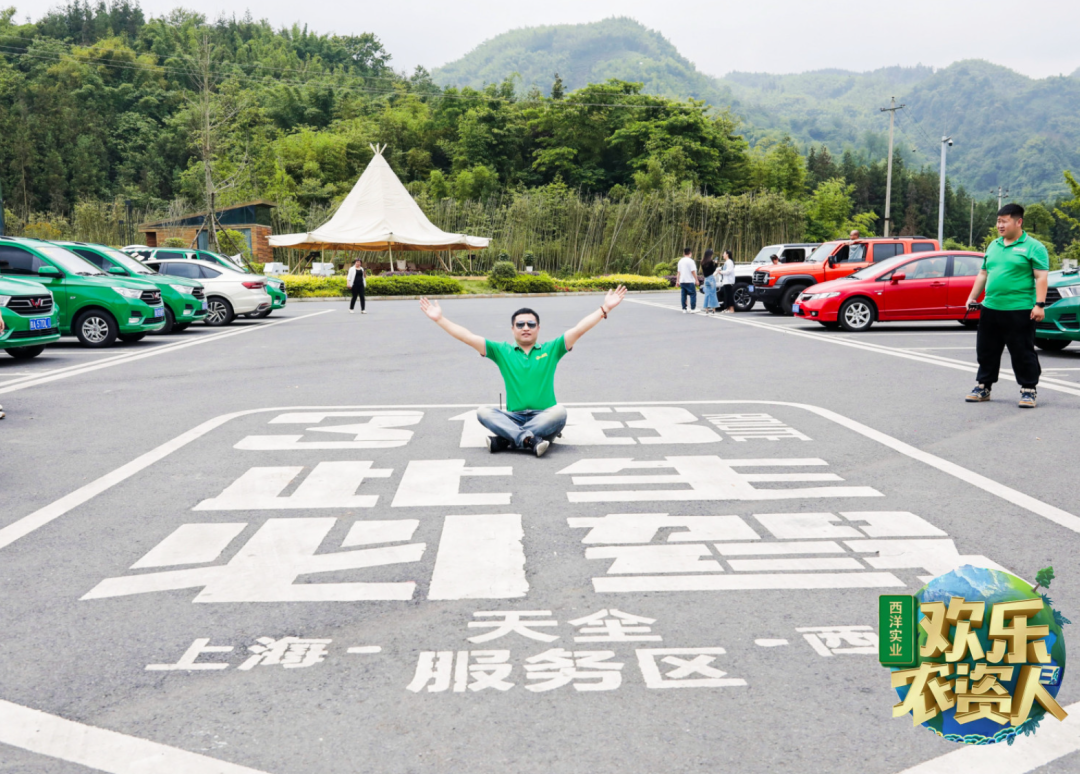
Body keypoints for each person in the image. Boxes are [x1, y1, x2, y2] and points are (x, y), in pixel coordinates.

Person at [419, 286, 628, 456]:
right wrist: (439, 319)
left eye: (531, 324)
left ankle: (507, 439)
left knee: (560, 412)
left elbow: (579, 329)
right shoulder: (501, 351)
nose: (525, 327)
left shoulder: (552, 349)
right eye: (520, 324)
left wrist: (605, 309)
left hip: (544, 417)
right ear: (513, 329)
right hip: (514, 417)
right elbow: (467, 336)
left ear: (538, 328)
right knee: (483, 411)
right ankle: (528, 439)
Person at [965, 204, 1049, 408]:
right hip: (991, 307)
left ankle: (1028, 389)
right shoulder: (994, 245)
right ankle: (983, 387)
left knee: (1022, 351)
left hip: (1019, 309)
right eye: (998, 221)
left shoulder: (1034, 247)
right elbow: (983, 273)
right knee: (986, 350)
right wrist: (972, 297)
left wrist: (1039, 305)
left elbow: (1041, 277)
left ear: (1019, 222)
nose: (1000, 225)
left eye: (1004, 221)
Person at [677, 248, 698, 313]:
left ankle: (684, 309)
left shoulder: (680, 261)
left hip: (682, 281)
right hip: (690, 281)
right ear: (690, 253)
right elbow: (693, 271)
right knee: (692, 294)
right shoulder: (691, 261)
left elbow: (678, 272)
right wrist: (696, 279)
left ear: (684, 253)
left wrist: (677, 281)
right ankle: (693, 309)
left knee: (683, 295)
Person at [700, 249, 718, 314]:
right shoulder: (710, 262)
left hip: (706, 279)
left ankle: (706, 310)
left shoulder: (702, 262)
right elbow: (713, 270)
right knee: (713, 294)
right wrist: (716, 264)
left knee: (707, 294)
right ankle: (713, 310)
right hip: (711, 279)